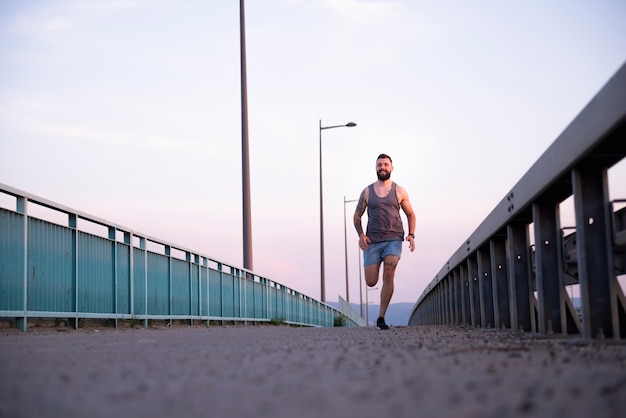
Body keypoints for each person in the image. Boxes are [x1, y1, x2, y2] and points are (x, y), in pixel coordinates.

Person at [353, 153, 416, 330]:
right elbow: (357, 215)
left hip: (393, 238)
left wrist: (411, 234)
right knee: (371, 282)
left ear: (391, 168)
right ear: (376, 168)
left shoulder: (399, 191)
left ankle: (381, 317)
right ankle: (380, 311)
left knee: (390, 271)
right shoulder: (367, 192)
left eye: (386, 165)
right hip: (372, 241)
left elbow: (410, 214)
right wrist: (361, 235)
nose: (383, 167)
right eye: (380, 165)